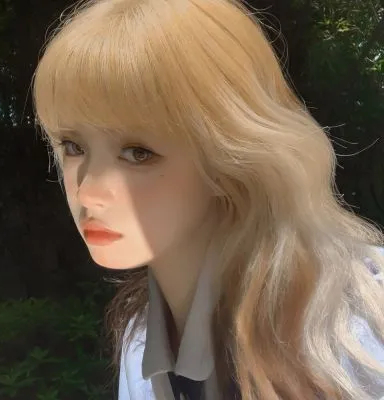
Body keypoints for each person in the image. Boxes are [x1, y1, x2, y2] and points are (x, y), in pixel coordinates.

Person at [32, 0, 384, 398]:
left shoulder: (361, 321)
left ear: (229, 155)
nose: (88, 192)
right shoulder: (138, 342)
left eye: (138, 152)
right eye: (73, 146)